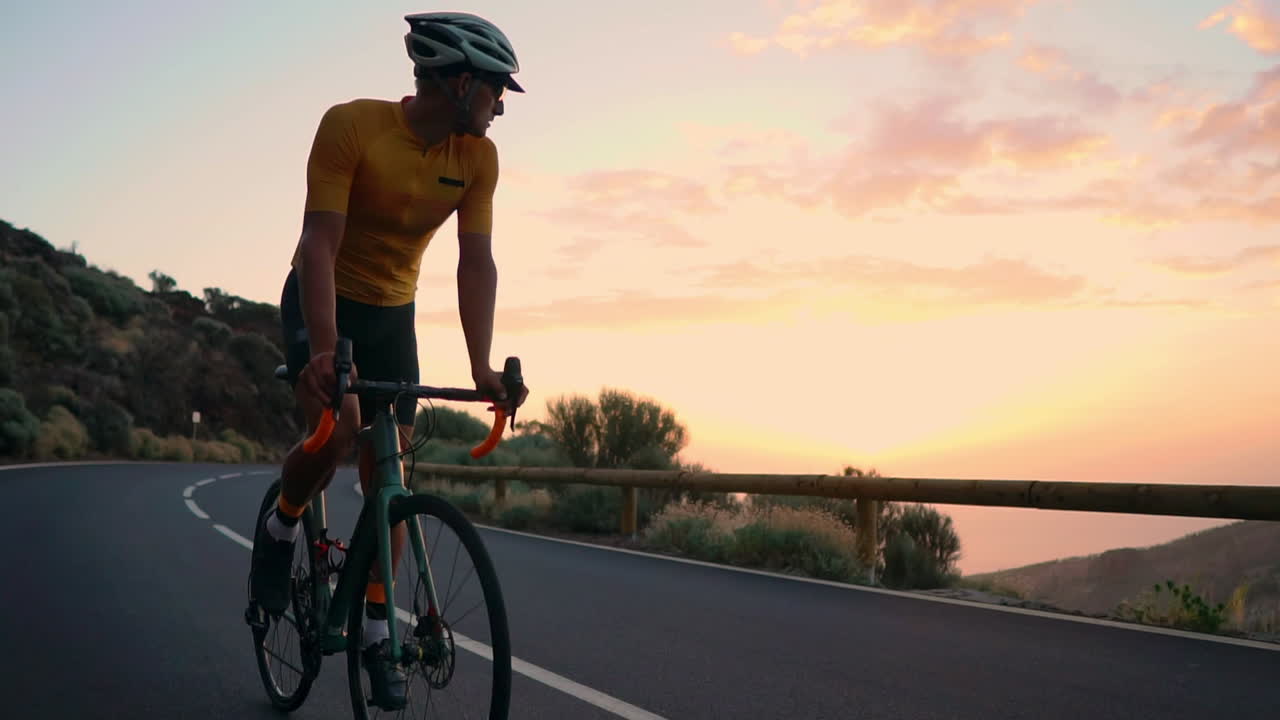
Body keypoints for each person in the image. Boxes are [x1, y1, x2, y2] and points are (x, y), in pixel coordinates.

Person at [249, 11, 529, 711]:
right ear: (461, 82)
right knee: (338, 430)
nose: (501, 105)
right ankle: (284, 519)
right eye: (496, 90)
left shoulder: (478, 159)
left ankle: (377, 620)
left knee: (391, 467)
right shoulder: (353, 126)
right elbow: (318, 244)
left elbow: (476, 263)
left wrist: (482, 367)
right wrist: (321, 351)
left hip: (392, 317)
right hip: (325, 297)